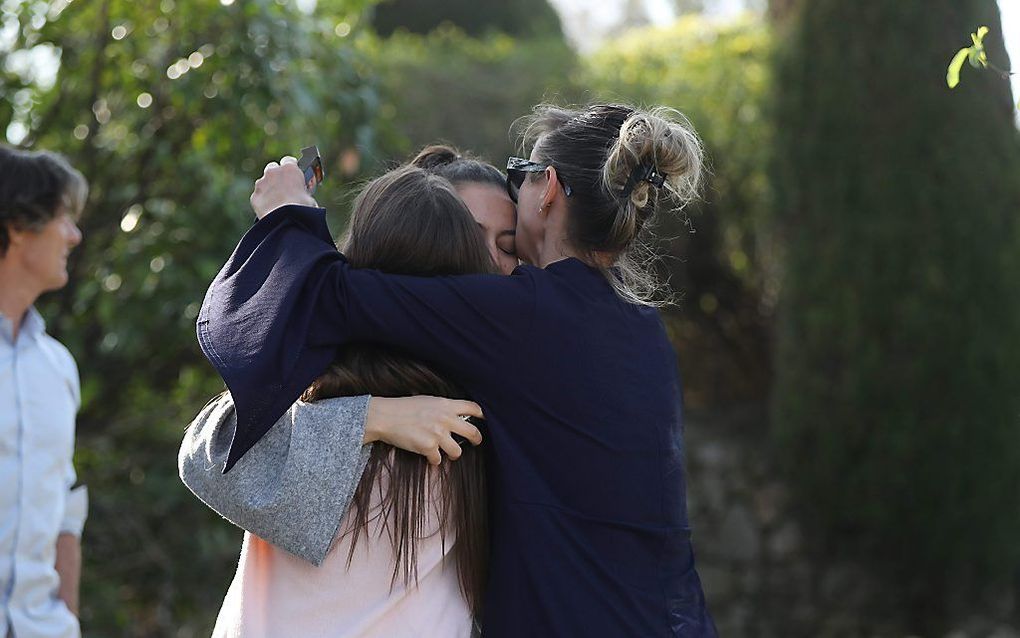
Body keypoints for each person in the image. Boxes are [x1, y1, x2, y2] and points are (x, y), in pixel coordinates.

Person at [197, 103, 717, 636]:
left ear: (549, 189)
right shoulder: (642, 332)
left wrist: (289, 211)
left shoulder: (522, 317)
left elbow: (329, 295)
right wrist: (372, 415)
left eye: (520, 179)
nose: (488, 268)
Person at [180, 146, 516, 636]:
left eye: (506, 244)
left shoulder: (497, 391)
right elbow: (212, 458)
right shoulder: (319, 385)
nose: (489, 259)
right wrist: (371, 417)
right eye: (471, 232)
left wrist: (291, 230)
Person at [0, 145, 89, 638]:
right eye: (62, 217)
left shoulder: (58, 368)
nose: (74, 236)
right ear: (17, 225)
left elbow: (64, 513)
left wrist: (66, 621)